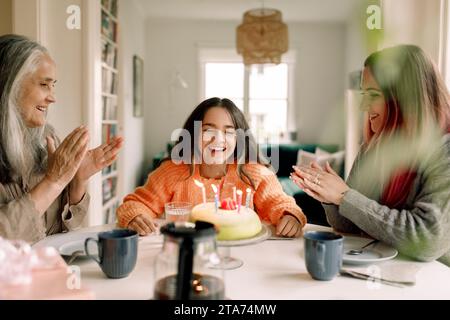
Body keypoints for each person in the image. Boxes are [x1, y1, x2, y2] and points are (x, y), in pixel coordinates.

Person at [291, 44, 450, 266]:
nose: (364, 106)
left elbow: (428, 240)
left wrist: (344, 196)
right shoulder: (373, 147)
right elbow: (348, 225)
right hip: (379, 269)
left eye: (373, 95)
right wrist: (328, 196)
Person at [117, 97, 306, 237]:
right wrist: (135, 216)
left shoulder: (254, 173)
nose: (218, 139)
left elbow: (281, 203)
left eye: (229, 132)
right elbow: (136, 204)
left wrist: (290, 216)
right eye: (208, 130)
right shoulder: (173, 172)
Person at [0, 34, 123, 243]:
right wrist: (54, 182)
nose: (52, 97)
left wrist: (78, 181)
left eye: (53, 85)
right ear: (11, 83)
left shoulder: (47, 137)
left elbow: (64, 232)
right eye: (44, 84)